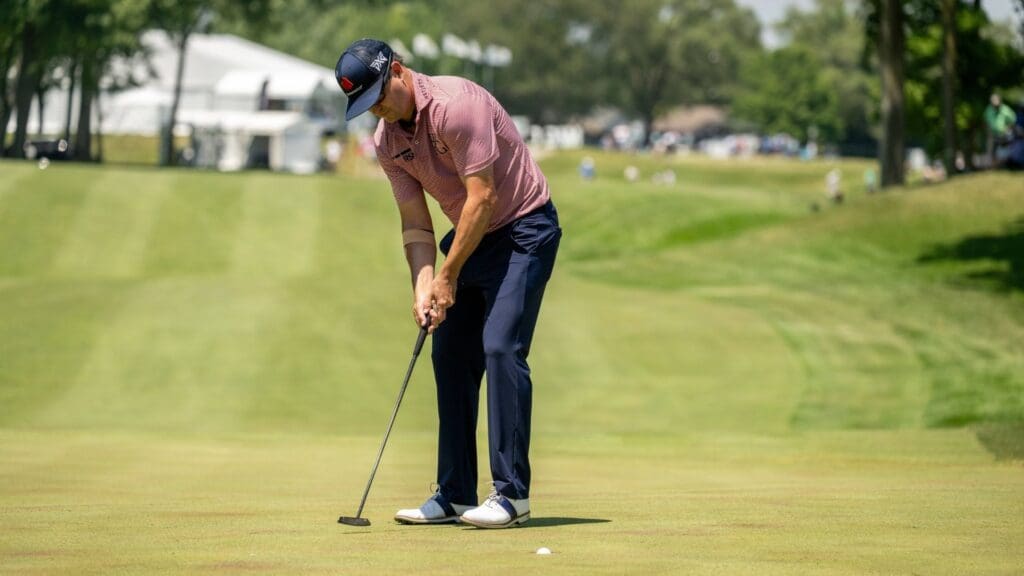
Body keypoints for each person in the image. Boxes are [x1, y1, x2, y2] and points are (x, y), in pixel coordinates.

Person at [335, 39, 561, 529]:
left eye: (379, 94)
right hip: (469, 238)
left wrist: (448, 275)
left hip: (524, 228)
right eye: (367, 104)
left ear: (398, 70)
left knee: (501, 346)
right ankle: (456, 493)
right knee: (450, 355)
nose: (377, 108)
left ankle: (511, 495)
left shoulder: (458, 107)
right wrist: (423, 286)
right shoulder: (387, 142)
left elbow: (483, 198)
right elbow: (416, 223)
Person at [984, 94, 1017, 167]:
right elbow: (987, 123)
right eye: (993, 102)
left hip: (1004, 135)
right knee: (991, 150)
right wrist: (989, 133)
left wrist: (1007, 129)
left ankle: (1004, 164)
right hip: (993, 134)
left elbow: (1013, 120)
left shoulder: (1005, 109)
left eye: (996, 102)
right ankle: (992, 166)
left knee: (1004, 152)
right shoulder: (989, 110)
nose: (995, 104)